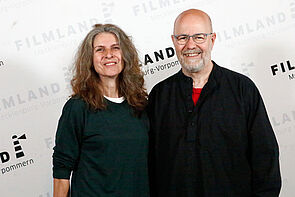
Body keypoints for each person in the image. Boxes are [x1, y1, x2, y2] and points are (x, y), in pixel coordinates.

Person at [148, 9, 281, 197]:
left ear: (213, 39)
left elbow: (265, 158)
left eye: (199, 37)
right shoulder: (159, 96)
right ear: (173, 42)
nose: (190, 45)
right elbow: (148, 164)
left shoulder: (242, 89)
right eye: (182, 38)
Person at [52, 24, 149, 197]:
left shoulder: (140, 105)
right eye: (100, 50)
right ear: (90, 59)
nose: (109, 55)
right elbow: (62, 170)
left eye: (115, 48)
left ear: (125, 55)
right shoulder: (78, 107)